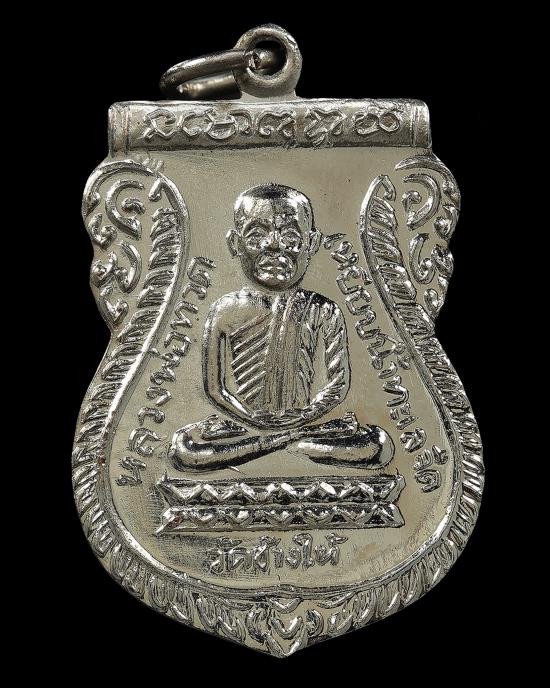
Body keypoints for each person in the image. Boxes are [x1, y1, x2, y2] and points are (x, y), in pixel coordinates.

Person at [168, 184, 393, 471]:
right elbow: (215, 389)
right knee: (185, 450)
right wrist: (250, 418)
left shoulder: (324, 309)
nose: (274, 246)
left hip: (306, 427)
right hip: (244, 428)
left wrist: (303, 417)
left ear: (311, 243)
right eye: (256, 235)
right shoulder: (224, 310)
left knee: (377, 445)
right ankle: (285, 447)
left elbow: (337, 384)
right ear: (235, 244)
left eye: (290, 236)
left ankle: (275, 447)